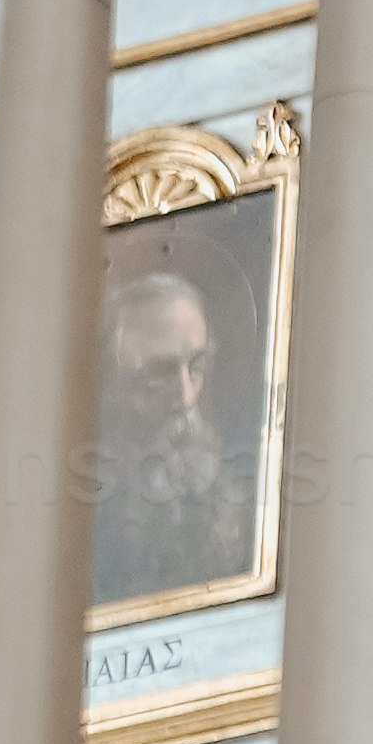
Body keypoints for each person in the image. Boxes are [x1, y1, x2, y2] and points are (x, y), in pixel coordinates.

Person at [91, 244, 261, 601]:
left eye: (196, 366)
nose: (185, 397)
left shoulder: (243, 498)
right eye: (158, 374)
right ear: (111, 381)